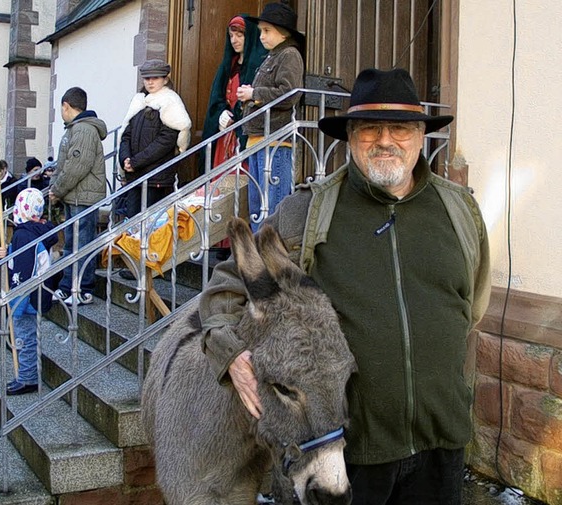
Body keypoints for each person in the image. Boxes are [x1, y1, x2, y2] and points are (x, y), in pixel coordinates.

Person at [199, 68, 492, 504]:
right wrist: (231, 355)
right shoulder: (307, 213)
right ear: (350, 136)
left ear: (420, 136)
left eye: (400, 128)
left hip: (441, 443)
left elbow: (474, 304)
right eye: (370, 128)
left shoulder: (459, 210)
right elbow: (225, 288)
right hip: (347, 455)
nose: (385, 140)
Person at [236, 2, 304, 231]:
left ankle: (271, 260)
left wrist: (254, 94)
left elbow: (290, 94)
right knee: (258, 207)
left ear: (283, 32)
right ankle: (258, 260)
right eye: (261, 31)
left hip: (275, 141)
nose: (262, 36)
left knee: (272, 207)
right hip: (259, 139)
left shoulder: (289, 55)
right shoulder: (272, 57)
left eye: (267, 31)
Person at [49, 87, 107, 305]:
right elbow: (64, 163)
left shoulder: (83, 130)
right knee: (72, 244)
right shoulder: (76, 128)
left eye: (61, 108)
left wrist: (57, 190)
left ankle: (81, 289)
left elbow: (76, 167)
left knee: (81, 244)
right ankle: (68, 286)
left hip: (83, 198)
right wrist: (55, 187)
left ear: (66, 105)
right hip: (75, 197)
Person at [0, 188, 58, 395]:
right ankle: (26, 375)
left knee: (25, 337)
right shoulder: (36, 231)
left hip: (27, 296)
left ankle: (28, 378)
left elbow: (24, 269)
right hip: (37, 293)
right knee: (27, 335)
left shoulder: (24, 235)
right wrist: (7, 252)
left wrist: (16, 301)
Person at [118, 58, 192, 219]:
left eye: (155, 78)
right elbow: (126, 135)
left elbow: (166, 141)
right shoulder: (139, 102)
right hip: (135, 176)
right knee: (132, 225)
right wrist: (125, 159)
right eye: (147, 78)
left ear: (165, 79)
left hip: (156, 177)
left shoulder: (170, 102)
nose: (150, 82)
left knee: (152, 225)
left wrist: (136, 162)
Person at [202, 15, 267, 169]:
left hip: (245, 134)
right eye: (231, 36)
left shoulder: (259, 66)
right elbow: (217, 97)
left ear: (250, 36)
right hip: (225, 135)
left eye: (239, 35)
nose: (234, 40)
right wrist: (220, 113)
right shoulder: (228, 65)